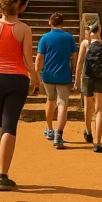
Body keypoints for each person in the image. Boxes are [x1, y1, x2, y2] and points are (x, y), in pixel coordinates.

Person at [0, 0, 39, 191]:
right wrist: (35, 78)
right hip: (17, 78)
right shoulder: (24, 29)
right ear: (17, 6)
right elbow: (28, 59)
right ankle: (3, 175)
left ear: (1, 7)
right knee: (9, 125)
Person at [36, 13, 79, 149]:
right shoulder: (69, 38)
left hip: (48, 75)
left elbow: (39, 58)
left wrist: (37, 73)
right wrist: (74, 73)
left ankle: (49, 129)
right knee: (62, 104)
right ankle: (58, 135)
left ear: (50, 23)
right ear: (63, 23)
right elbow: (75, 58)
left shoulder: (45, 38)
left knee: (50, 100)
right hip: (64, 75)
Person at [75, 21, 102, 152]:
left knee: (88, 106)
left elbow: (80, 62)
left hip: (87, 78)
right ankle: (97, 142)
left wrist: (77, 79)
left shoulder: (85, 44)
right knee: (100, 110)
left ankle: (88, 131)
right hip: (101, 78)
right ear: (99, 29)